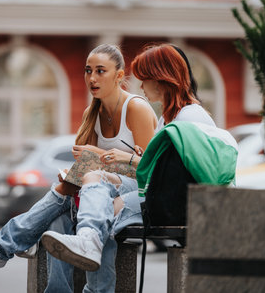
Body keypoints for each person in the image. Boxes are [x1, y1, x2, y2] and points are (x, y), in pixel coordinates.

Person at [0, 44, 158, 291]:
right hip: (98, 189)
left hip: (134, 192)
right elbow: (88, 170)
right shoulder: (91, 114)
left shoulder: (135, 108)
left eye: (100, 71)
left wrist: (101, 157)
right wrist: (85, 167)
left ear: (118, 75)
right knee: (59, 219)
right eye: (87, 70)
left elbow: (149, 172)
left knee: (85, 193)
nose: (92, 78)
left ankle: (1, 247)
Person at [41, 43, 217, 281]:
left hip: (182, 204)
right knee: (76, 204)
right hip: (165, 198)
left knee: (103, 205)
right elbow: (163, 169)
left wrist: (131, 160)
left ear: (162, 79)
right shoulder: (170, 118)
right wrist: (137, 160)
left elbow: (179, 175)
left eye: (145, 79)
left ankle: (55, 242)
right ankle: (50, 239)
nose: (141, 87)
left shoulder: (190, 117)